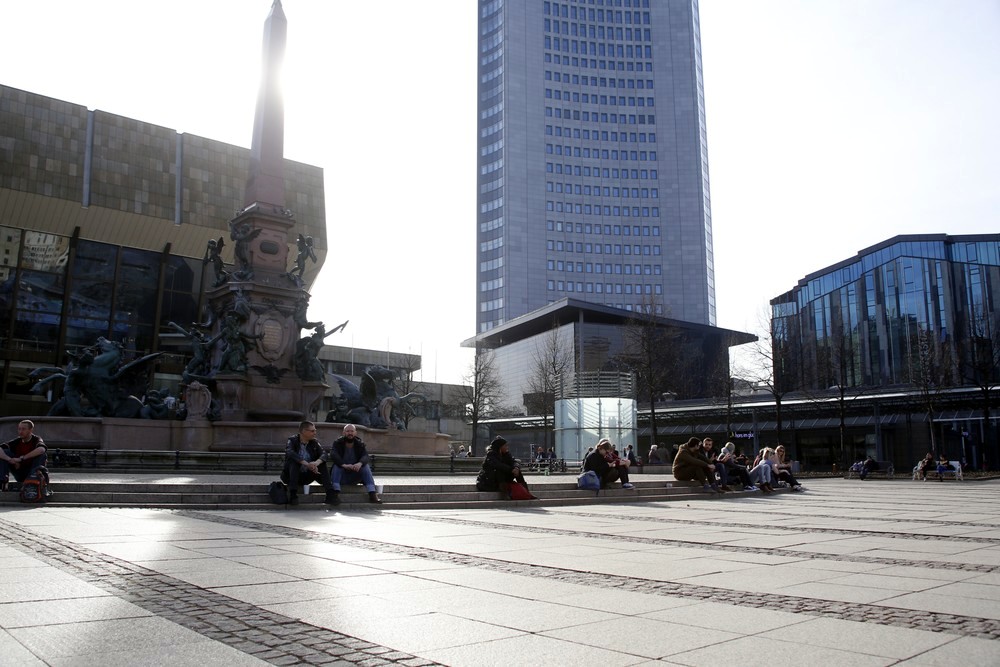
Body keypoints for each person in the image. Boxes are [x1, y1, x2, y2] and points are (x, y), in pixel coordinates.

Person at [282, 421, 336, 506]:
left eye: (315, 430)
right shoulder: (292, 440)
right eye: (312, 431)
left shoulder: (314, 442)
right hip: (291, 476)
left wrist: (316, 463)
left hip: (307, 476)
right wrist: (307, 464)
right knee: (294, 462)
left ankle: (330, 494)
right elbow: (290, 453)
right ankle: (293, 495)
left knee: (322, 464)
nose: (315, 433)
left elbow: (324, 454)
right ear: (303, 431)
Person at [328, 424, 382, 503]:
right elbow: (333, 454)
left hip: (355, 475)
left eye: (352, 431)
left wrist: (359, 463)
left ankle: (372, 493)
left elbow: (365, 456)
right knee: (337, 466)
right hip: (341, 476)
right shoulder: (337, 443)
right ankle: (335, 494)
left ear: (355, 433)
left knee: (365, 466)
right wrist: (344, 465)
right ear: (343, 433)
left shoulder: (360, 444)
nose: (350, 433)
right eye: (348, 431)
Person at [0, 420, 48, 491]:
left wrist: (21, 458)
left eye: (23, 429)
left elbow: (41, 449)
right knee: (5, 452)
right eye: (19, 429)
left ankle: (33, 481)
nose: (20, 431)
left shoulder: (36, 439)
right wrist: (9, 459)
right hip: (19, 472)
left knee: (42, 455)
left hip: (32, 472)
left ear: (30, 430)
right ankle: (2, 482)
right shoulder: (17, 441)